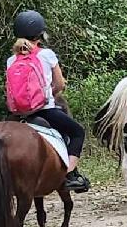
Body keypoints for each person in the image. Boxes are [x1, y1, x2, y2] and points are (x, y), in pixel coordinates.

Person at [7, 10, 91, 193]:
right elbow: (60, 83)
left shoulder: (11, 59)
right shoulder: (47, 55)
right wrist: (49, 93)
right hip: (45, 110)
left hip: (18, 113)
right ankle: (71, 175)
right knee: (77, 132)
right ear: (40, 34)